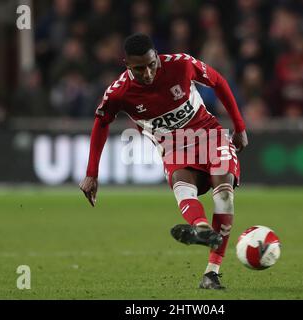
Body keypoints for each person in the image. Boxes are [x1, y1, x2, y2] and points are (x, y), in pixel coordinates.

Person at [79, 33, 248, 289]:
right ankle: (201, 228)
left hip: (210, 135)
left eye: (151, 64)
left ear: (157, 56)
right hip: (173, 148)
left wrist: (239, 126)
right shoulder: (118, 93)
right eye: (139, 69)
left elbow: (218, 81)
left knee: (223, 196)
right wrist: (92, 173)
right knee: (182, 183)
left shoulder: (181, 64)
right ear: (127, 65)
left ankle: (211, 272)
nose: (147, 73)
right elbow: (101, 123)